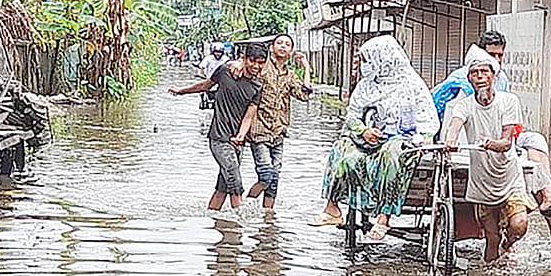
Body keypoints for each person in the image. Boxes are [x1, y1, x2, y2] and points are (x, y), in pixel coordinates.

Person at [446, 47, 551, 263]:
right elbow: (455, 124)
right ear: (469, 78)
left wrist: (491, 143)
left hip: (509, 178)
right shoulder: (464, 105)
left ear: (493, 75)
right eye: (475, 73)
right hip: (482, 183)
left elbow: (505, 142)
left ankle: (509, 243)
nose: (480, 77)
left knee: (519, 225)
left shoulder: (508, 101)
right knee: (491, 238)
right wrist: (451, 140)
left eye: (485, 72)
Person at [308, 35, 439, 240]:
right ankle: (332, 207)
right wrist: (363, 131)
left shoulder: (412, 86)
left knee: (392, 153)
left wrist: (421, 138)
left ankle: (384, 217)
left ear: (383, 59)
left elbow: (428, 120)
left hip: (401, 141)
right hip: (371, 141)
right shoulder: (367, 85)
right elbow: (352, 115)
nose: (364, 66)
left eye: (367, 60)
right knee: (342, 149)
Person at [432, 30, 551, 177]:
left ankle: (548, 195)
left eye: (500, 55)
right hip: (476, 140)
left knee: (536, 142)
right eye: (491, 55)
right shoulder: (461, 87)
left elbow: (509, 128)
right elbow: (455, 122)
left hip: (502, 138)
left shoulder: (504, 84)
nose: (496, 60)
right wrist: (451, 140)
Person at [168, 43, 268, 214]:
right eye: (252, 61)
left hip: (237, 142)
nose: (256, 66)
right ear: (243, 59)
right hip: (219, 138)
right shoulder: (225, 71)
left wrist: (241, 136)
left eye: (260, 62)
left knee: (223, 186)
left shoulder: (257, 86)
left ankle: (212, 216)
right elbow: (205, 86)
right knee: (234, 178)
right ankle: (239, 223)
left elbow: (249, 115)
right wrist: (182, 91)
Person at [246, 34, 312, 211]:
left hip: (279, 132)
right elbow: (246, 68)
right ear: (272, 47)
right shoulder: (262, 67)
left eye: (287, 44)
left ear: (291, 51)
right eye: (279, 43)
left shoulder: (289, 76)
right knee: (266, 175)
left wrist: (306, 68)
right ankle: (244, 205)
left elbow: (304, 95)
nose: (283, 46)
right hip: (259, 130)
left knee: (274, 180)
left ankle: (268, 216)